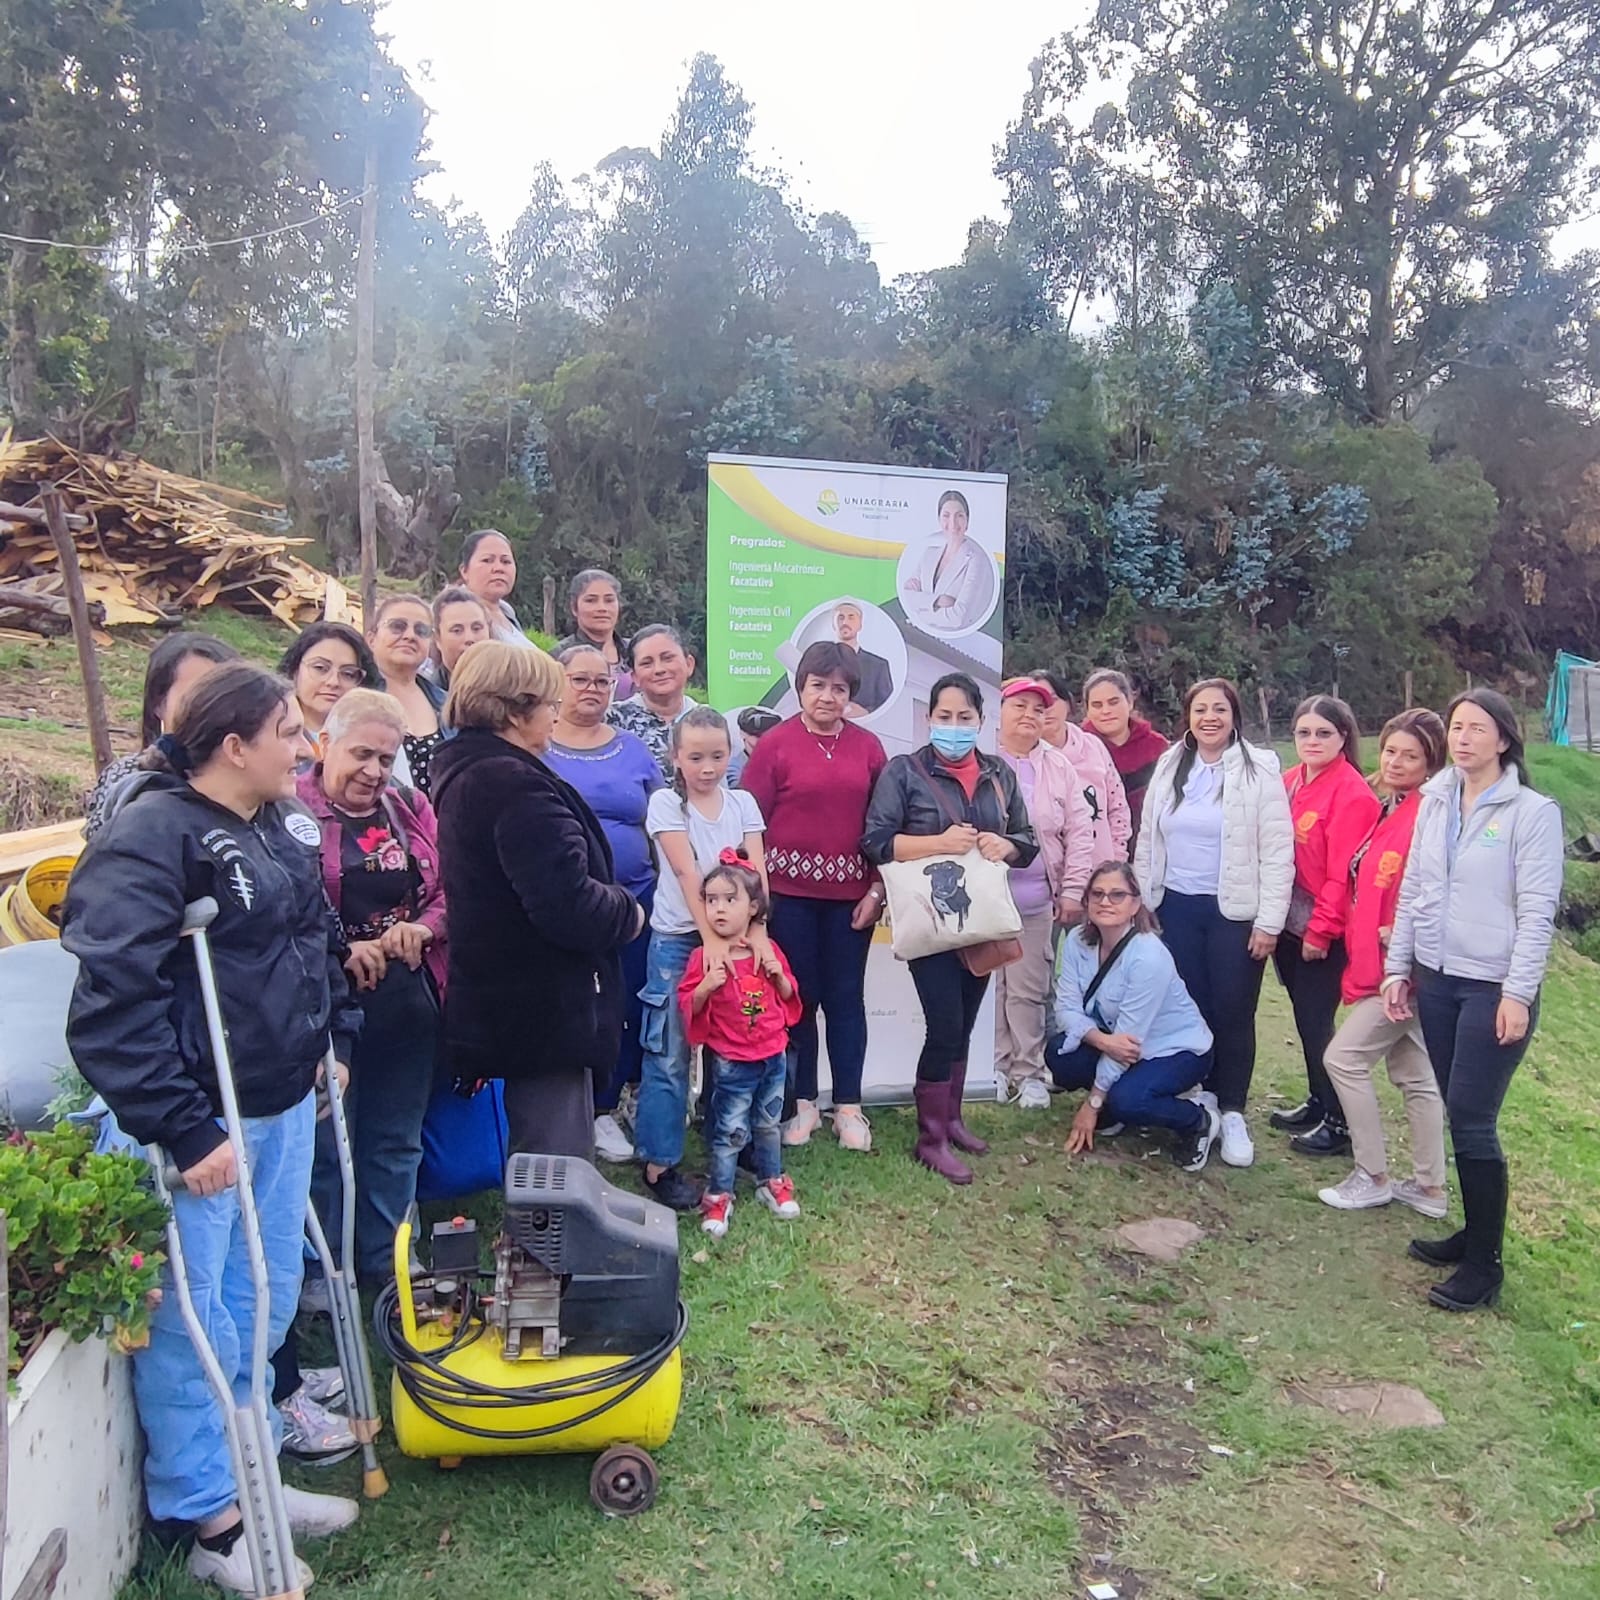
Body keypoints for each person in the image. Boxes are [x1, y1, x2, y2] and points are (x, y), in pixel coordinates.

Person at [61, 663, 363, 1591]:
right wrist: (183, 1129)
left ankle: (256, 1463)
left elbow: (313, 938)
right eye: (287, 732)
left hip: (279, 1101)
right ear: (235, 746)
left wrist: (328, 1035)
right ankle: (214, 1519)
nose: (303, 748)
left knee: (260, 1304)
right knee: (198, 1323)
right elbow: (113, 1001)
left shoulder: (272, 826)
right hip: (202, 1121)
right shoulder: (150, 836)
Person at [1383, 688, 1563, 1312]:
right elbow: (1413, 890)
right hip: (1437, 978)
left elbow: (1539, 913)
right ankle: (1471, 1233)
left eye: (1477, 729)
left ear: (1505, 740)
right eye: (1456, 727)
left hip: (1492, 985)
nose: (1462, 738)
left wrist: (1516, 992)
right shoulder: (1436, 802)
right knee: (1459, 1112)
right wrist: (1398, 966)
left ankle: (1485, 1264)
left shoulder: (1532, 813)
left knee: (1473, 1117)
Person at [430, 643, 643, 1162]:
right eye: (549, 702)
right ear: (511, 710)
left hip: (516, 1000)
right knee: (555, 1165)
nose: (556, 714)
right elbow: (566, 903)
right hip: (542, 1007)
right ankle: (538, 1247)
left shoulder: (473, 772)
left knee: (543, 1157)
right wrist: (627, 912)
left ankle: (534, 1241)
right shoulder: (512, 784)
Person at [862, 673, 1038, 1185]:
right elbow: (876, 841)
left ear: (981, 721)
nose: (955, 727)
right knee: (943, 1024)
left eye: (965, 718)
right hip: (931, 922)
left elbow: (1026, 840)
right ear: (929, 718)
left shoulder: (999, 774)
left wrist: (1006, 845)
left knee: (964, 1022)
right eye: (945, 717)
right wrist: (938, 842)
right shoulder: (905, 772)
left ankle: (953, 1119)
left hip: (980, 917)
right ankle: (930, 1137)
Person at [296, 690, 446, 1282]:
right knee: (329, 1145)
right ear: (324, 743)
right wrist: (342, 947)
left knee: (396, 1137)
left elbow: (449, 889)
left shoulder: (409, 806)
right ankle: (325, 1273)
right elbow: (286, 907)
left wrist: (422, 927)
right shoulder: (289, 812)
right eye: (361, 755)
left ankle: (388, 1263)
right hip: (328, 1005)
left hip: (407, 997)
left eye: (386, 758)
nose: (373, 771)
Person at [1133, 678, 1294, 1169]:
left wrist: (1269, 921)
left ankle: (1233, 1107)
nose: (1209, 718)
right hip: (1175, 906)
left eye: (1219, 709)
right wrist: (1143, 900)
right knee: (1189, 1006)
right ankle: (1198, 1095)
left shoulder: (1260, 768)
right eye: (1199, 709)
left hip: (1234, 912)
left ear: (1233, 715)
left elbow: (1278, 849)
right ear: (1187, 715)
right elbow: (1147, 840)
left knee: (1233, 1008)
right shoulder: (1169, 764)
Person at [739, 641, 887, 1152]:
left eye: (839, 688)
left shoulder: (869, 748)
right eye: (818, 685)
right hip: (788, 898)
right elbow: (749, 824)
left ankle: (849, 1107)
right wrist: (757, 898)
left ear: (852, 695)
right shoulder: (776, 745)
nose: (827, 697)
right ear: (800, 686)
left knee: (847, 1000)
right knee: (797, 999)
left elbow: (882, 825)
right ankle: (802, 1104)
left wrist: (877, 888)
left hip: (853, 897)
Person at [1319, 710, 1449, 1216]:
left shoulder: (1429, 816)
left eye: (1410, 755)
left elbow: (1431, 889)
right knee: (1414, 1073)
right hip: (1382, 959)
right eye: (1390, 751)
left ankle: (1371, 1173)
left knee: (1343, 1057)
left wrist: (1405, 945)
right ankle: (1430, 1187)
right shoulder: (1390, 807)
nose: (1395, 762)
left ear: (1431, 761)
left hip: (1404, 968)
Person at [636, 706, 766, 1208]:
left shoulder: (744, 804)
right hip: (678, 937)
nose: (707, 768)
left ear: (730, 754)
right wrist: (710, 938)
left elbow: (756, 869)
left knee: (736, 1042)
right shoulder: (667, 805)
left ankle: (733, 1138)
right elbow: (688, 872)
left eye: (717, 756)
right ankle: (658, 1162)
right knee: (669, 1050)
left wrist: (757, 928)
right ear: (676, 757)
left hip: (737, 936)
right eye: (695, 757)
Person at [543, 645, 663, 1163]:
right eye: (580, 679)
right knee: (578, 1008)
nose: (592, 689)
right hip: (567, 907)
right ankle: (579, 1113)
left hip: (638, 899)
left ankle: (616, 1103)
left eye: (603, 680)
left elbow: (662, 818)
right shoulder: (537, 745)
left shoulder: (634, 749)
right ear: (557, 682)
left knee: (634, 1003)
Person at [1047, 862, 1221, 1170]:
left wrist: (1092, 1104)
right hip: (1115, 1041)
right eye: (1097, 894)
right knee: (1059, 1052)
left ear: (1135, 904)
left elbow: (1129, 1041)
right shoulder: (1076, 941)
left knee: (1131, 1101)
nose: (1105, 902)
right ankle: (1114, 1110)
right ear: (1086, 901)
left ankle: (1198, 1119)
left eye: (1117, 895)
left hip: (1176, 1049)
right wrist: (1101, 1040)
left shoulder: (1148, 957)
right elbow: (1065, 1009)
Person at [1270, 695, 1381, 1156]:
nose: (1312, 741)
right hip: (1286, 921)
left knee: (1317, 1021)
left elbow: (1343, 874)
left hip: (1323, 927)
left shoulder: (1352, 793)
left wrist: (1320, 930)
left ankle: (1340, 1123)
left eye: (1323, 734)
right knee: (1302, 1014)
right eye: (1304, 733)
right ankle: (1319, 1100)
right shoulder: (1289, 781)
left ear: (1343, 738)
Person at [678, 850, 804, 1238]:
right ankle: (719, 1194)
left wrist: (778, 975)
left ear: (753, 907)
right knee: (730, 1130)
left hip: (772, 1055)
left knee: (768, 1124)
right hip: (733, 1060)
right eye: (711, 900)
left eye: (729, 900)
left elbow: (789, 995)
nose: (718, 909)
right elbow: (689, 1003)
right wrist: (705, 987)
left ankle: (771, 1181)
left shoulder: (767, 951)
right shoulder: (704, 957)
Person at [992, 677, 1094, 1109]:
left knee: (1028, 988)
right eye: (1020, 706)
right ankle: (993, 1068)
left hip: (1036, 900)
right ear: (1000, 711)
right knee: (990, 987)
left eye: (1038, 709)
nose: (1029, 715)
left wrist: (1072, 891)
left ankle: (1029, 1070)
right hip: (983, 901)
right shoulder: (981, 759)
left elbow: (1080, 831)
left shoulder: (1058, 766)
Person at [84, 632, 239, 838]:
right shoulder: (128, 781)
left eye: (223, 695)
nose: (213, 708)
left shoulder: (257, 779)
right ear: (158, 703)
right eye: (198, 695)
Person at [1030, 668, 1131, 866]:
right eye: (1037, 704)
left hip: (1101, 871)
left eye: (1052, 699)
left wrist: (1116, 859)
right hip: (1050, 875)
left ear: (1067, 702)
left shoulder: (1093, 746)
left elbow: (1118, 806)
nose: (1046, 709)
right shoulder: (1022, 756)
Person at [368, 594, 449, 795]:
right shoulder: (355, 699)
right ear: (371, 638)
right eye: (397, 626)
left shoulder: (446, 703)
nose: (409, 636)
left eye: (421, 630)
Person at [1083, 669, 1169, 841]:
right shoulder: (1077, 748)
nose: (1106, 711)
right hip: (1093, 851)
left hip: (1150, 848)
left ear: (1130, 702)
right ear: (1087, 710)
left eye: (1113, 702)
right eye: (1097, 705)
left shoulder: (1157, 747)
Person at [608, 623, 700, 779]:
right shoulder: (613, 721)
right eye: (646, 663)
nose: (659, 669)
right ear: (634, 677)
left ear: (689, 664)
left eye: (667, 658)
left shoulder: (706, 720)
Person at [278, 621, 381, 759]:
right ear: (295, 670)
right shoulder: (269, 732)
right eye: (320, 668)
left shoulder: (378, 738)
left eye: (348, 674)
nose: (333, 682)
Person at [902, 490, 989, 632]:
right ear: (939, 520)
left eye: (959, 516)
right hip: (918, 637)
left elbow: (958, 618)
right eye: (946, 515)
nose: (952, 523)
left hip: (954, 643)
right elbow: (907, 595)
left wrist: (919, 612)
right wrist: (937, 601)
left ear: (967, 521)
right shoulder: (928, 554)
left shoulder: (977, 560)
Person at [556, 568, 633, 697]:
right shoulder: (558, 658)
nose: (602, 608)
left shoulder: (635, 652)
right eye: (591, 600)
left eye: (609, 600)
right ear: (574, 608)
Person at [457, 528, 537, 647]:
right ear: (464, 570)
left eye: (506, 561)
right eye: (487, 560)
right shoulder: (456, 610)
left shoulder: (506, 611)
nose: (498, 568)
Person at [831, 600, 893, 715]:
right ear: (833, 624)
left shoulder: (878, 666)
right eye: (840, 617)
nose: (845, 622)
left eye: (851, 617)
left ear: (860, 624)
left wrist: (865, 712)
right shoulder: (820, 662)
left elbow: (887, 705)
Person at [431, 585, 495, 684]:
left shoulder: (513, 689)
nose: (469, 638)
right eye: (457, 630)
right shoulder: (428, 697)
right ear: (437, 639)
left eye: (476, 628)